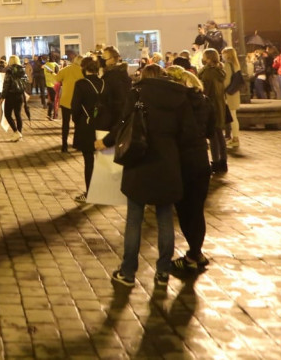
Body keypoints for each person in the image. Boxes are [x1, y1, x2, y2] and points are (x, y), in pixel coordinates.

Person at [99, 65, 189, 289]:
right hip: (168, 162)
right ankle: (163, 271)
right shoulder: (179, 96)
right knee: (165, 218)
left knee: (134, 219)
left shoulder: (137, 93)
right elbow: (186, 133)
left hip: (139, 159)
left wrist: (107, 142)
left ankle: (128, 271)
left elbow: (124, 124)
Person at [164, 67, 213, 273]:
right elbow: (212, 129)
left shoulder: (176, 104)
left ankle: (193, 255)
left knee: (184, 210)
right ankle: (196, 252)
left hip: (182, 159)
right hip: (201, 159)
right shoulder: (204, 100)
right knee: (197, 209)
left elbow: (172, 131)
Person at [70, 56, 107, 202]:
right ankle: (104, 191)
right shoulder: (104, 83)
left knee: (89, 160)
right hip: (103, 124)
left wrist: (77, 121)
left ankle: (90, 192)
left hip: (86, 125)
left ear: (84, 68)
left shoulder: (81, 84)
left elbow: (75, 107)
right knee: (103, 160)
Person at [197, 48, 229, 174]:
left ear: (208, 58)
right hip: (220, 105)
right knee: (219, 135)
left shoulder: (208, 73)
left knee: (213, 136)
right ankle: (223, 161)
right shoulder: (219, 70)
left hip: (211, 106)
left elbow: (206, 90)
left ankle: (216, 162)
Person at [54, 54, 83, 152]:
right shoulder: (83, 71)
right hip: (78, 101)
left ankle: (64, 145)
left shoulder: (66, 69)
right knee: (78, 124)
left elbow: (57, 79)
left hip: (66, 100)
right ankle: (77, 143)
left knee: (65, 124)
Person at [1, 55, 29, 137]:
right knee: (18, 114)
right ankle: (19, 132)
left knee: (7, 114)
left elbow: (6, 84)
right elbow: (26, 82)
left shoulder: (9, 70)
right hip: (20, 95)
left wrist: (2, 96)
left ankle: (16, 132)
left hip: (10, 95)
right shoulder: (22, 70)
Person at [221, 47, 243, 149]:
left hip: (229, 94)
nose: (222, 55)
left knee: (232, 117)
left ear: (227, 54)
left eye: (223, 53)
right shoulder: (236, 64)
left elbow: (226, 81)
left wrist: (222, 90)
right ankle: (234, 138)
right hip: (234, 92)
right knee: (234, 116)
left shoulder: (227, 64)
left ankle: (235, 139)